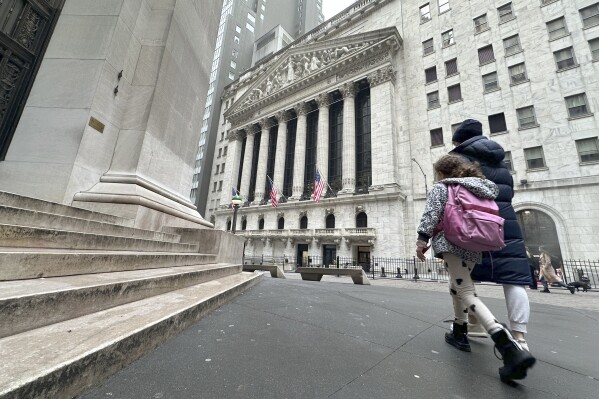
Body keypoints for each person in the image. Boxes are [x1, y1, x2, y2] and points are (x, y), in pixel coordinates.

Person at [416, 154, 535, 383]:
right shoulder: (480, 187)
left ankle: (507, 345)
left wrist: (422, 240)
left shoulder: (444, 186)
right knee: (459, 284)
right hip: (476, 242)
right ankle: (459, 331)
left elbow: (431, 214)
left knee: (466, 291)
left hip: (452, 240)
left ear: (441, 173)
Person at [450, 119, 532, 351]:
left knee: (461, 277)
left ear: (459, 140)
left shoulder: (460, 159)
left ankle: (469, 324)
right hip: (504, 221)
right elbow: (510, 191)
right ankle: (520, 338)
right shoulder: (500, 160)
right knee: (513, 278)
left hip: (472, 223)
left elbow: (452, 193)